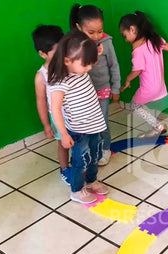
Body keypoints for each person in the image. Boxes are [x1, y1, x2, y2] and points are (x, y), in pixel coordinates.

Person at [48, 30, 109, 204]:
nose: (89, 68)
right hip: (78, 131)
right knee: (80, 161)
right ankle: (76, 190)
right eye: (86, 64)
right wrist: (64, 134)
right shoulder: (59, 83)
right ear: (67, 60)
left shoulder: (79, 70)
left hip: (94, 126)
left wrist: (94, 52)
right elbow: (55, 110)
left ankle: (91, 181)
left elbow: (89, 54)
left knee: (94, 156)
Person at [119, 11, 168, 138]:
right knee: (141, 106)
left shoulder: (138, 51)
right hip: (159, 86)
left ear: (132, 29)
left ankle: (158, 126)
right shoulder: (155, 41)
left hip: (148, 87)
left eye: (124, 35)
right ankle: (156, 127)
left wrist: (128, 79)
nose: (125, 39)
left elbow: (137, 70)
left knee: (134, 105)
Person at [70, 4, 121, 166]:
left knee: (102, 122)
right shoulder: (74, 45)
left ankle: (105, 148)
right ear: (79, 27)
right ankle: (90, 150)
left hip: (102, 90)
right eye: (91, 32)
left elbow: (114, 66)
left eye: (99, 31)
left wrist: (116, 88)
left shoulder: (106, 42)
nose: (96, 36)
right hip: (82, 94)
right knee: (86, 125)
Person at [32, 25, 71, 184]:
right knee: (63, 144)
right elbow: (41, 100)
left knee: (78, 141)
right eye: (56, 51)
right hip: (58, 117)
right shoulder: (41, 76)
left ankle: (80, 164)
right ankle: (65, 169)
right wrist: (46, 124)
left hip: (74, 113)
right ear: (42, 54)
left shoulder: (68, 64)